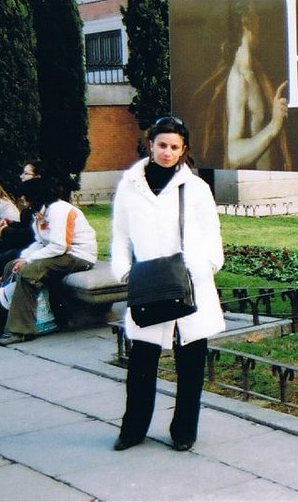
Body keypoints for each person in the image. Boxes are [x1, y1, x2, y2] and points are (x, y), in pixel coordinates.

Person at [111, 115, 225, 452]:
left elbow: (211, 235)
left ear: (183, 150)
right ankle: (133, 430)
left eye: (175, 147)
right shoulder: (130, 185)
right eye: (162, 145)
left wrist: (202, 268)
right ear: (150, 144)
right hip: (148, 284)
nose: (167, 152)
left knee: (190, 364)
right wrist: (124, 272)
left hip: (190, 284)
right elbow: (119, 234)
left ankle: (184, 431)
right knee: (142, 363)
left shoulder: (197, 188)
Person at [0, 177, 96, 345]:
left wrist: (28, 262)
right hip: (60, 254)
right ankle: (4, 323)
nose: (23, 202)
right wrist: (24, 257)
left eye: (24, 198)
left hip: (78, 256)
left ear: (34, 196)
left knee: (28, 272)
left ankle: (22, 331)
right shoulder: (41, 211)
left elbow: (59, 246)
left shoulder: (59, 210)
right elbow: (40, 242)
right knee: (10, 266)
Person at [191, 5, 291, 170]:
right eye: (257, 16)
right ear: (247, 21)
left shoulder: (255, 70)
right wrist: (274, 126)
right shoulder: (239, 77)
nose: (261, 24)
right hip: (254, 186)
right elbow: (234, 156)